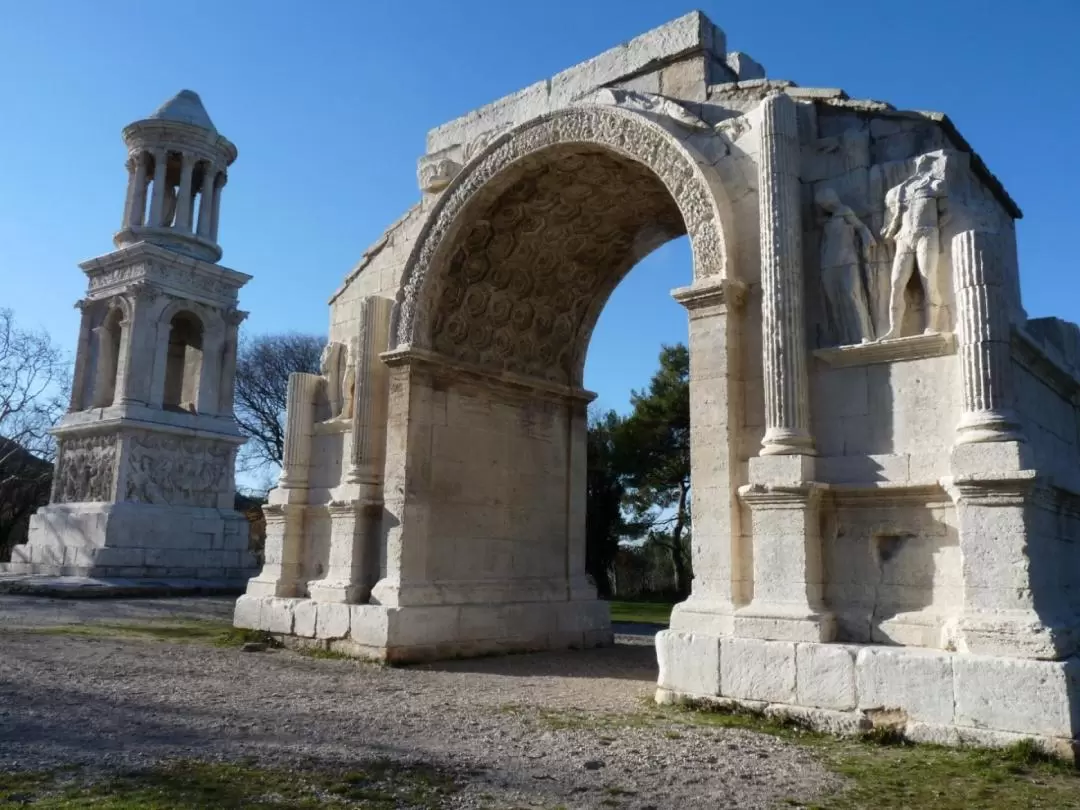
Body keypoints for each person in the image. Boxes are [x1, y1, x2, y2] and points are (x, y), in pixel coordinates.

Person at [879, 155, 949, 340]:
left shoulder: (935, 185)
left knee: (928, 279)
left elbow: (948, 213)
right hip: (904, 237)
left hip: (926, 233)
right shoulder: (899, 190)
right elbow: (887, 228)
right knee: (896, 283)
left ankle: (931, 325)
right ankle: (894, 329)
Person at [815, 187, 876, 345]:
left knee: (852, 295)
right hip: (828, 262)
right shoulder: (826, 221)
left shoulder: (844, 211)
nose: (824, 206)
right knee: (834, 301)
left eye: (824, 203)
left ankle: (864, 334)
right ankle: (844, 336)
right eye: (822, 205)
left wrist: (867, 243)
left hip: (847, 260)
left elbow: (861, 228)